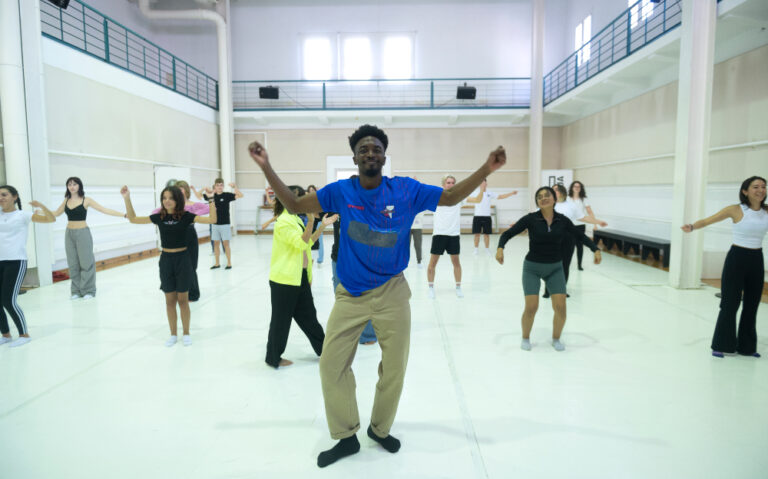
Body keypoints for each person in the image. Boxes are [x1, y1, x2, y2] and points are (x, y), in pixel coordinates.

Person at [248, 124, 506, 467]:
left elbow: (450, 197)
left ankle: (380, 429)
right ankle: (345, 436)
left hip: (392, 292)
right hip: (351, 294)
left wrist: (487, 168)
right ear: (354, 157)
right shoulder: (341, 192)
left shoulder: (406, 190)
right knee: (331, 365)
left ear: (385, 155)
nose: (370, 153)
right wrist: (266, 165)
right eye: (363, 149)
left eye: (376, 148)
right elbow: (294, 203)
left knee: (395, 367)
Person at [496, 186, 602, 352]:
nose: (543, 198)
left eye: (547, 195)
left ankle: (556, 338)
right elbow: (507, 233)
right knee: (532, 307)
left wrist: (595, 249)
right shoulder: (531, 219)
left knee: (561, 308)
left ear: (554, 199)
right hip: (532, 268)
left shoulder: (562, 220)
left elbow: (579, 235)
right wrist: (500, 248)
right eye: (540, 196)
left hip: (555, 268)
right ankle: (525, 337)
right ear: (537, 201)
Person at [681, 176, 767, 358]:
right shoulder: (735, 210)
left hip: (756, 260)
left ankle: (747, 347)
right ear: (745, 191)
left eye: (763, 187)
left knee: (752, 305)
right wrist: (692, 226)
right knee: (730, 303)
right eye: (756, 187)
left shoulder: (766, 212)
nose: (761, 190)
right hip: (737, 258)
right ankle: (722, 344)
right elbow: (708, 220)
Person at [121, 185, 217, 346]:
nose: (167, 201)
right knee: (169, 301)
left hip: (183, 260)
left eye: (171, 198)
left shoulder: (186, 215)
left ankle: (186, 332)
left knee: (183, 300)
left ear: (177, 200)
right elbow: (133, 219)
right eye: (164, 198)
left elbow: (212, 220)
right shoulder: (159, 216)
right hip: (166, 260)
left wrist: (212, 199)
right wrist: (127, 198)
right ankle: (173, 334)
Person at [266, 185, 335, 368]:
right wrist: (311, 222)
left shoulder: (295, 219)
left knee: (309, 318)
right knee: (281, 321)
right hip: (284, 280)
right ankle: (273, 358)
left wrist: (322, 226)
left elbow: (308, 243)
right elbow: (300, 243)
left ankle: (326, 352)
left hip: (299, 277)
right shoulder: (283, 221)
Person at [45, 177, 126, 299]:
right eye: (69, 184)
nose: (72, 186)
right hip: (69, 234)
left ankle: (89, 290)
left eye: (74, 184)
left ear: (79, 186)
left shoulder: (86, 200)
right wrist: (40, 212)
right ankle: (76, 291)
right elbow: (56, 213)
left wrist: (124, 214)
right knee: (73, 263)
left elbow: (104, 210)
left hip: (83, 233)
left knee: (86, 263)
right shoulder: (66, 200)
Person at [0, 185, 56, 347]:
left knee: (8, 300)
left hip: (16, 261)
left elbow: (51, 219)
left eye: (4, 195)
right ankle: (5, 334)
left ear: (15, 197)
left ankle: (24, 334)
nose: (1, 198)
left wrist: (42, 207)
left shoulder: (23, 215)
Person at [542, 184, 608, 298]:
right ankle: (548, 290)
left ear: (561, 193)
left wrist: (597, 221)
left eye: (555, 190)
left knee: (564, 265)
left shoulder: (571, 206)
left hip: (568, 238)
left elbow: (583, 217)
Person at [152, 180, 208, 302]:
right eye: (178, 190)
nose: (180, 192)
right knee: (177, 265)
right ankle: (177, 290)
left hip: (189, 234)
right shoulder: (170, 206)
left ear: (186, 191)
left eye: (182, 190)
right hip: (175, 235)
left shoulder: (193, 205)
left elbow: (208, 209)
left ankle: (193, 293)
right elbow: (155, 213)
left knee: (191, 264)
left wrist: (191, 215)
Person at [329, 209, 377, 346]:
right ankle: (346, 332)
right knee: (341, 297)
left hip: (359, 259)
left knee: (363, 297)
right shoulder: (336, 205)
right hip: (338, 258)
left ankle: (367, 334)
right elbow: (316, 212)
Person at [427, 175, 464, 298]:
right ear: (443, 184)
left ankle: (458, 287)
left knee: (456, 262)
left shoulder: (459, 198)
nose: (450, 184)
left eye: (453, 182)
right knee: (433, 263)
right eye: (448, 182)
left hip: (453, 234)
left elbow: (477, 200)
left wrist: (482, 189)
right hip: (439, 234)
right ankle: (431, 287)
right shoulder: (437, 198)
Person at [465, 178, 517, 256]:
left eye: (484, 183)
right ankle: (476, 250)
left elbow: (500, 196)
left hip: (487, 217)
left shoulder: (490, 193)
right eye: (481, 183)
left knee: (486, 234)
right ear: (479, 184)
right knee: (477, 234)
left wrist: (511, 193)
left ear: (486, 184)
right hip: (477, 216)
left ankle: (487, 249)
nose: (483, 184)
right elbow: (467, 198)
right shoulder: (475, 193)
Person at [203, 179, 243, 269]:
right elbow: (200, 196)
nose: (219, 187)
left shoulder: (227, 195)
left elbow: (240, 195)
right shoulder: (211, 195)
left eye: (221, 185)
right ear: (215, 186)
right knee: (216, 244)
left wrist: (235, 187)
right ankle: (217, 263)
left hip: (225, 224)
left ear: (223, 186)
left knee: (226, 244)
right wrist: (204, 189)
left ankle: (229, 263)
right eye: (217, 185)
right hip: (214, 224)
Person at [568, 181, 597, 270]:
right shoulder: (567, 198)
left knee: (579, 246)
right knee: (569, 246)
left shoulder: (584, 199)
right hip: (569, 225)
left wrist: (595, 224)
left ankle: (579, 265)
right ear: (572, 188)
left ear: (581, 189)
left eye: (579, 187)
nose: (577, 188)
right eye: (575, 186)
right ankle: (566, 264)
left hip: (580, 226)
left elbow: (590, 212)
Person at [307, 185, 326, 268]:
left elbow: (319, 212)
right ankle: (308, 259)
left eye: (313, 190)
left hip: (318, 222)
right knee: (308, 241)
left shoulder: (319, 199)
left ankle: (320, 260)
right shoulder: (307, 201)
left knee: (320, 241)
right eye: (310, 190)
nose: (312, 191)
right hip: (311, 222)